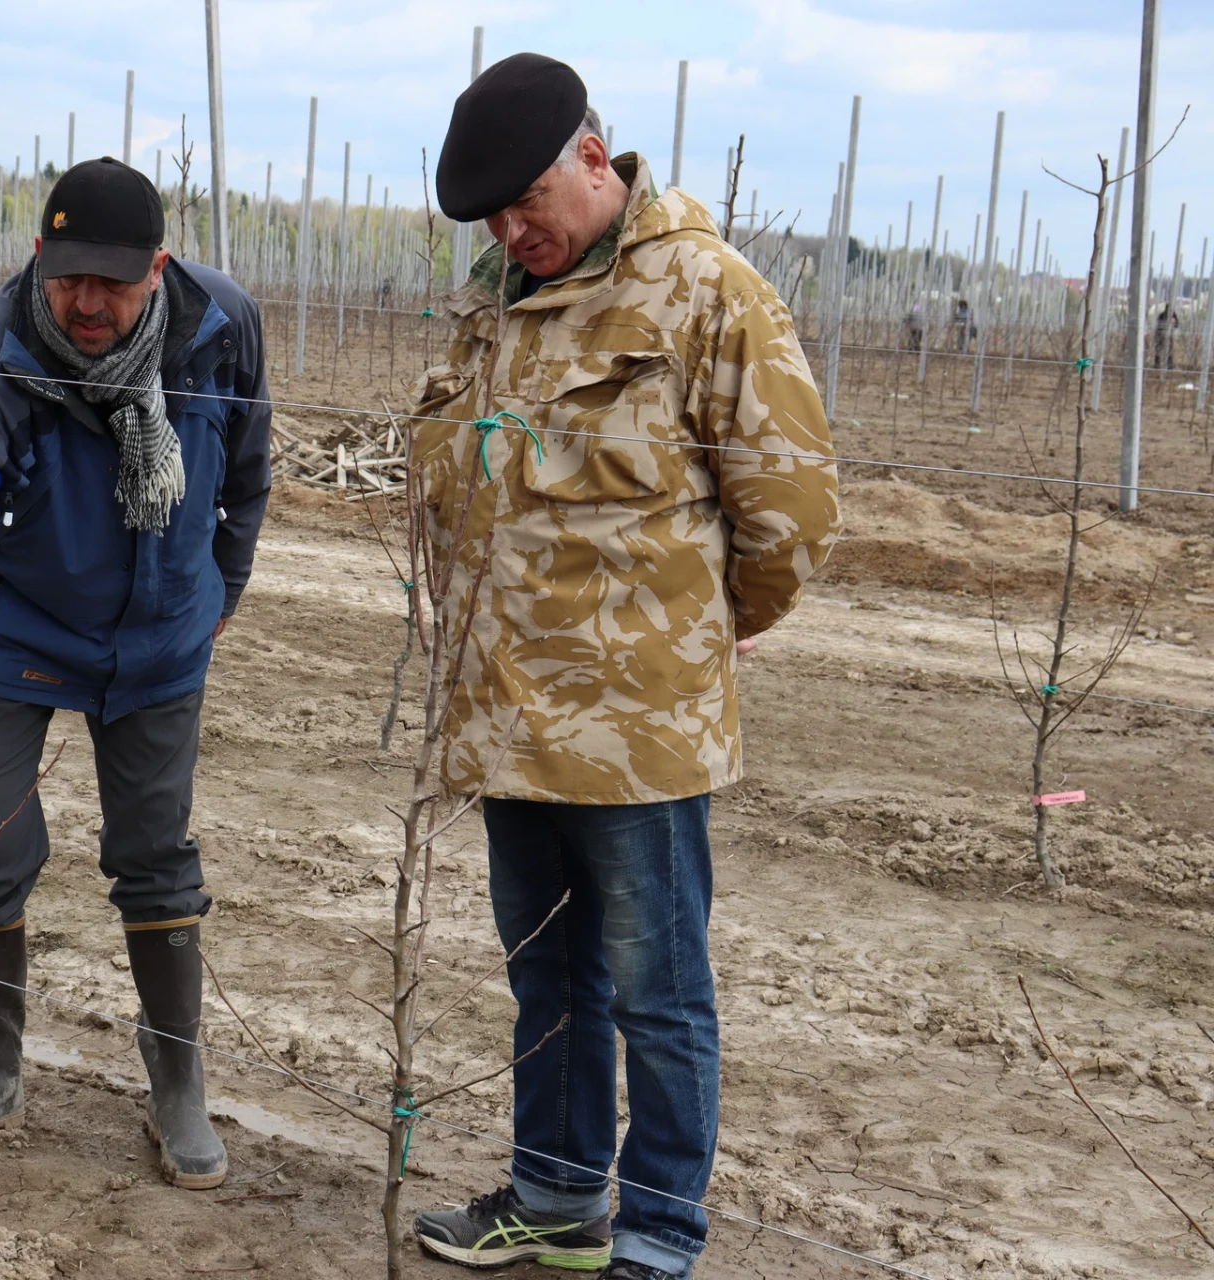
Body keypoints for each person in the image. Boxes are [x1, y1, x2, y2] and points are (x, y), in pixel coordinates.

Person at [407, 54, 840, 1279]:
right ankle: (554, 1195)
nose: (512, 231)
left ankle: (657, 1231)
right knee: (547, 972)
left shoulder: (705, 292)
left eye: (527, 203)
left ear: (594, 161)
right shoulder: (493, 306)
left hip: (637, 725)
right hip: (505, 711)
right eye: (492, 218)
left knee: (659, 989)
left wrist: (695, 630)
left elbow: (793, 509)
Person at [0, 157, 272, 1191]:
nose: (88, 303)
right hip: (15, 631)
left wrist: (218, 592)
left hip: (160, 640)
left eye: (114, 283)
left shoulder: (222, 327)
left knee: (154, 855)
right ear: (38, 261)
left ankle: (177, 1084)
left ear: (160, 268)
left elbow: (245, 476)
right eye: (68, 280)